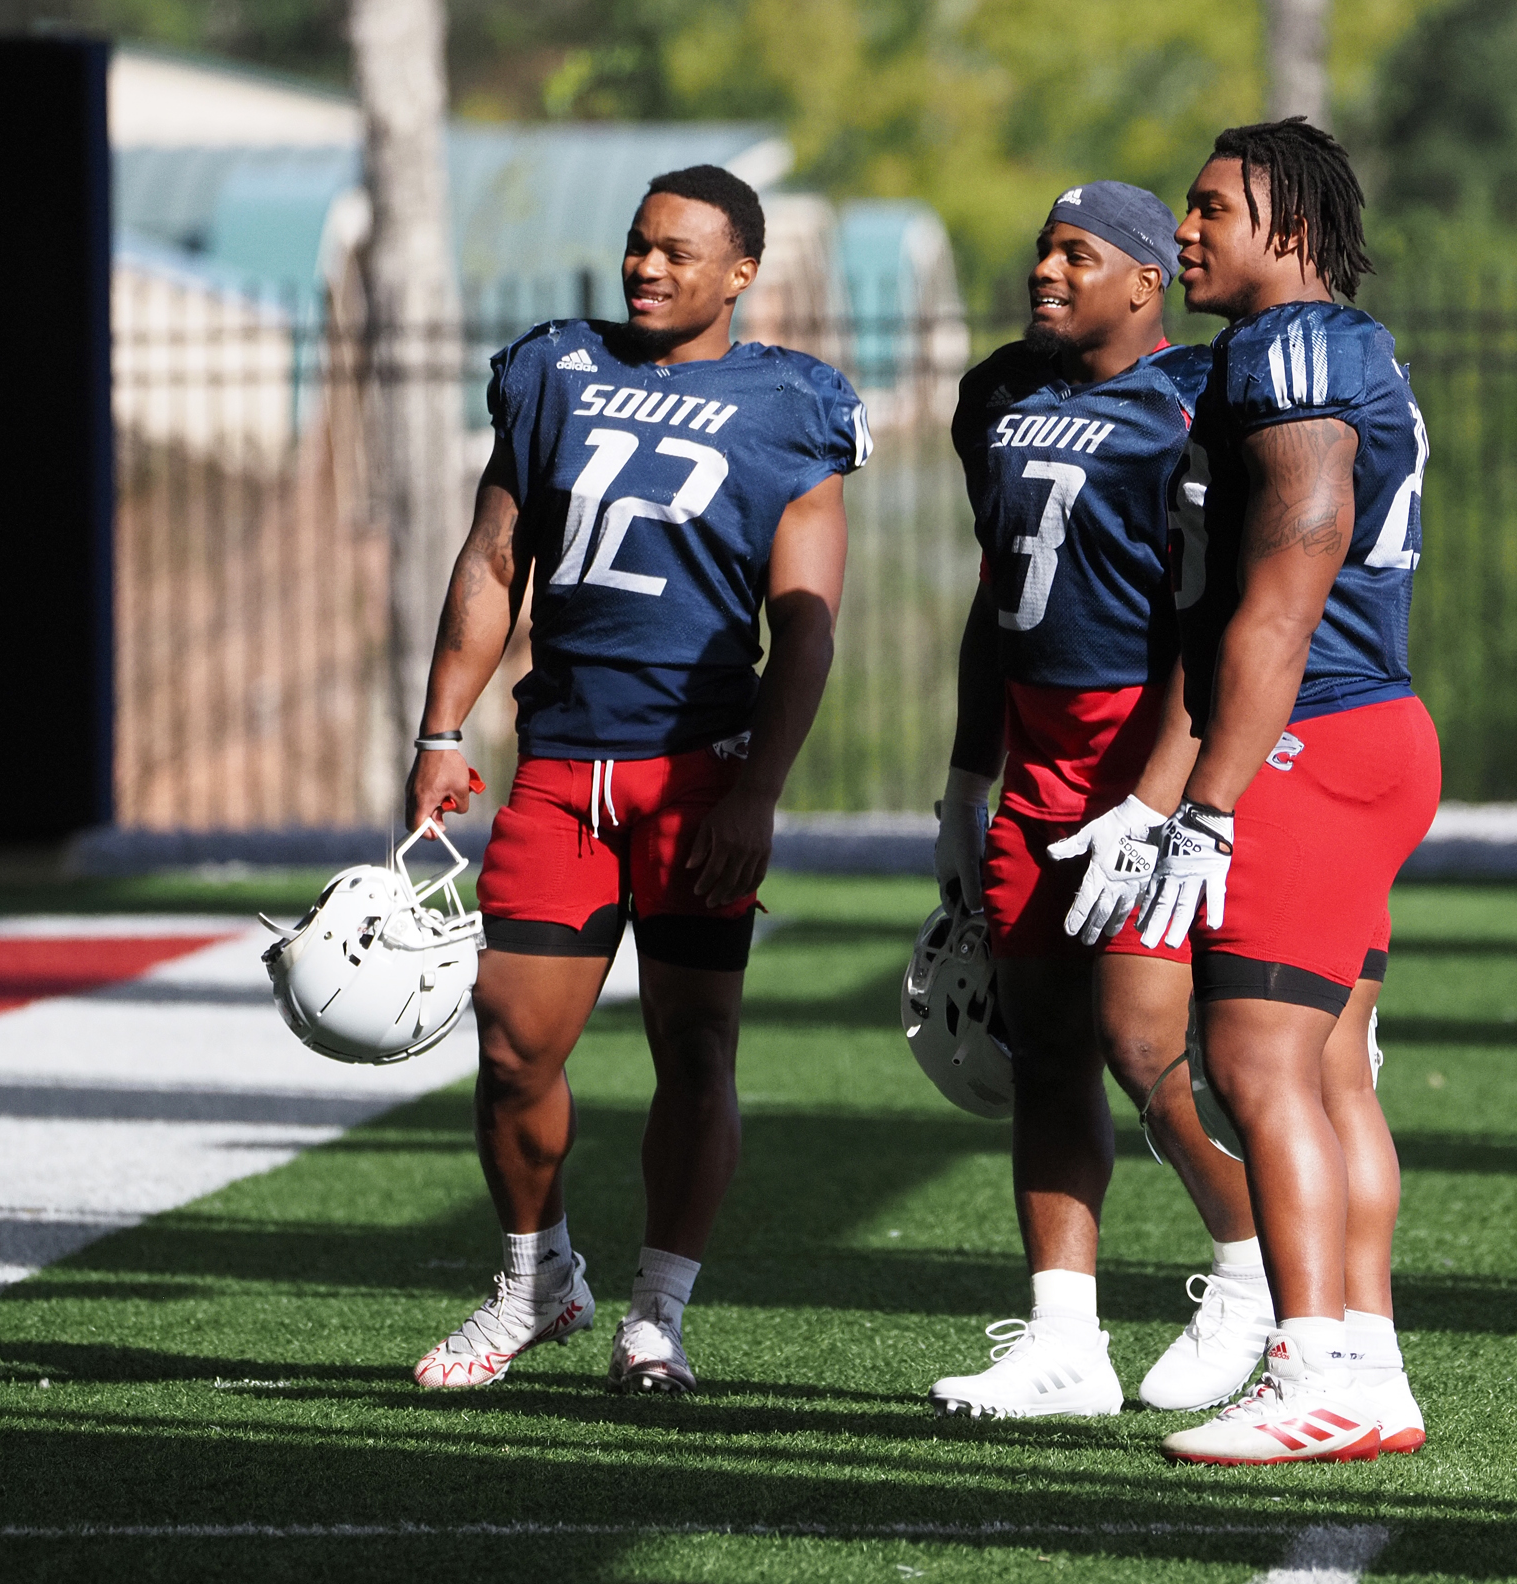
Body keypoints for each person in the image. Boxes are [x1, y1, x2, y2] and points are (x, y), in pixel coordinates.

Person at [405, 165, 868, 1394]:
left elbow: (807, 627)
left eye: (677, 251)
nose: (647, 268)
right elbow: (494, 557)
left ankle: (657, 1311)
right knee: (511, 1044)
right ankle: (536, 1283)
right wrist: (441, 727)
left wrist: (756, 792)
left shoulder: (791, 404)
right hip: (562, 766)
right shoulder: (555, 370)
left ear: (740, 272)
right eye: (635, 245)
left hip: (696, 773)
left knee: (696, 1045)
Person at [925, 182, 1273, 1419]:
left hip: (1140, 757)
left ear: (1144, 281)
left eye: (1077, 254)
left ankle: (1251, 1270)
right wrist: (969, 776)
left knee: (1139, 1040)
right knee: (1045, 1052)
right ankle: (1064, 1341)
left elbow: (1213, 622)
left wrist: (1160, 795)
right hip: (1033, 761)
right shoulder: (997, 393)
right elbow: (994, 599)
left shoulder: (1192, 401)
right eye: (1039, 249)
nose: (1045, 271)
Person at [1129, 120, 1440, 1465]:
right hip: (1363, 731)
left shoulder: (1295, 347)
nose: (1183, 231)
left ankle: (1313, 1363)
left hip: (1308, 736)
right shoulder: (1297, 351)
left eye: (1211, 208)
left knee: (1253, 1063)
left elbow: (1294, 572)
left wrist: (1210, 800)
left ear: (1294, 229)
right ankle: (1364, 1360)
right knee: (1327, 1072)